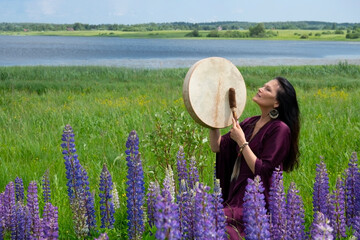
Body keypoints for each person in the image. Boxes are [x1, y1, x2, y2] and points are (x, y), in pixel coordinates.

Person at [209, 76, 300, 239]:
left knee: (215, 223)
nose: (260, 89)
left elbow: (263, 171)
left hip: (255, 205)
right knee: (204, 219)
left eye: (267, 89)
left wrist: (242, 142)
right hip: (234, 197)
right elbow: (217, 146)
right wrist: (212, 119)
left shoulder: (280, 129)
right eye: (263, 86)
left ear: (277, 103)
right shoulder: (250, 122)